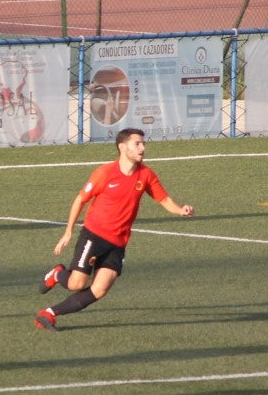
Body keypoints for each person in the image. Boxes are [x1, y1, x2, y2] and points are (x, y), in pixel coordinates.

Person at [35, 128, 194, 331]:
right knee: (76, 283)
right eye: (137, 144)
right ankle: (58, 274)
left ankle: (48, 314)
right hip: (93, 236)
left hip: (118, 243)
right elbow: (80, 199)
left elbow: (163, 199)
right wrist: (68, 232)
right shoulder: (105, 173)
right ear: (122, 147)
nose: (142, 148)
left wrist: (180, 210)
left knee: (99, 290)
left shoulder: (146, 175)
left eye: (143, 144)